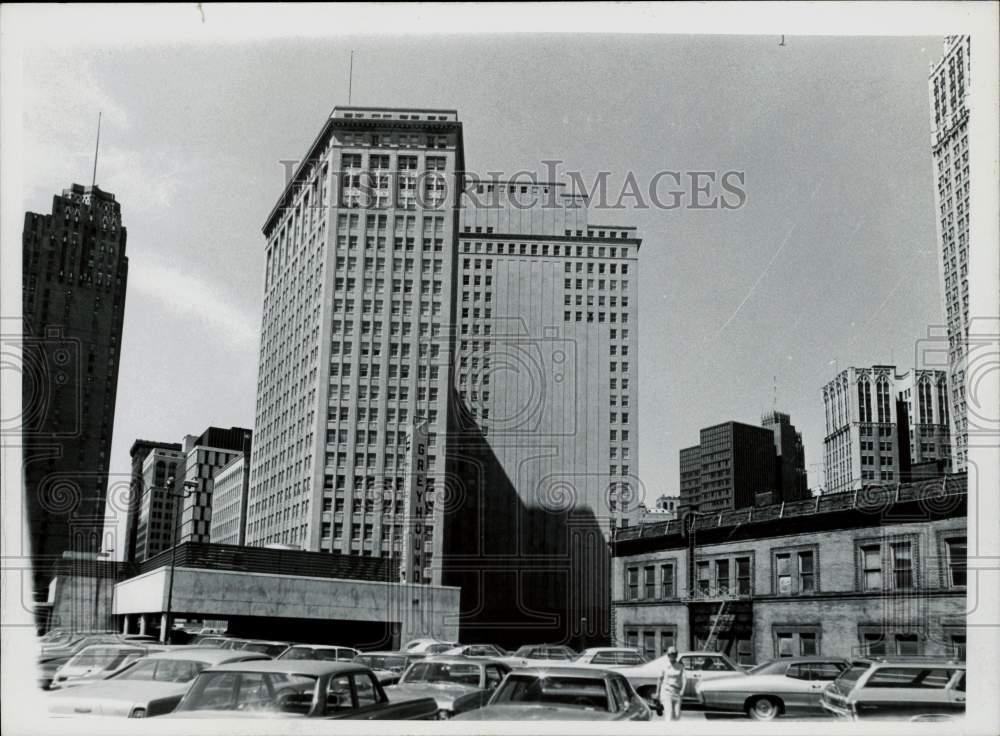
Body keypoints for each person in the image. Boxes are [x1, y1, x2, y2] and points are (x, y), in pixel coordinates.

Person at [656, 646, 685, 721]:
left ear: (676, 655)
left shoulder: (680, 666)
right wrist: (657, 693)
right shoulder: (664, 666)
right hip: (667, 692)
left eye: (674, 654)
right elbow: (659, 679)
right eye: (670, 654)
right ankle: (668, 731)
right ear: (668, 655)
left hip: (677, 692)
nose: (672, 655)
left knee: (677, 715)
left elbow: (684, 679)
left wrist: (682, 690)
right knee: (669, 714)